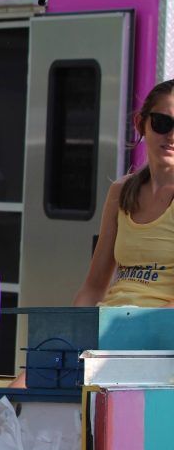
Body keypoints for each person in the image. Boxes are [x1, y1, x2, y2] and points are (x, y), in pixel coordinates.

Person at [74, 78, 174, 307]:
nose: (171, 135)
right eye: (162, 123)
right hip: (112, 320)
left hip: (158, 326)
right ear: (140, 123)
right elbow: (93, 288)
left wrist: (141, 327)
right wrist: (74, 326)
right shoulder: (121, 191)